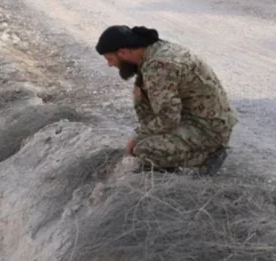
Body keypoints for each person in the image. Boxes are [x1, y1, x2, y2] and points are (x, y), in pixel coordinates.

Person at [95, 25, 239, 175]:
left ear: (123, 52)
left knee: (145, 150)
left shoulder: (158, 66)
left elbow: (168, 118)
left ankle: (207, 155)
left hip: (209, 129)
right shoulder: (154, 50)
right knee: (140, 92)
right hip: (203, 120)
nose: (110, 64)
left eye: (110, 59)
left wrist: (138, 137)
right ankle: (172, 154)